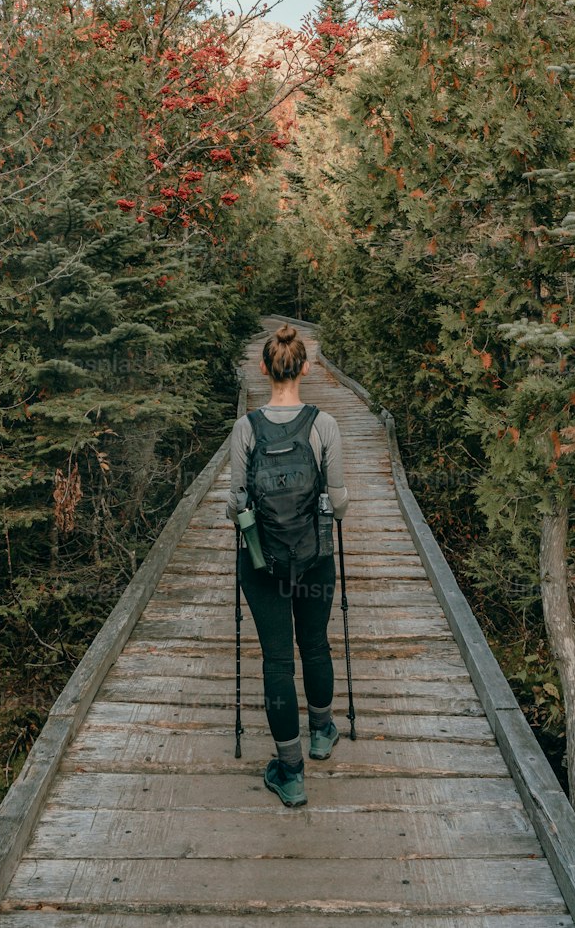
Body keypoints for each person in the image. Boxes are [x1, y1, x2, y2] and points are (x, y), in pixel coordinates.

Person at [226, 323, 349, 807]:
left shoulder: (244, 428)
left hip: (262, 562)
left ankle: (291, 773)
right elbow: (338, 505)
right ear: (305, 368)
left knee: (278, 661)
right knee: (315, 644)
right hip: (314, 558)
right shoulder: (326, 426)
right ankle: (322, 732)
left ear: (263, 369)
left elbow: (235, 504)